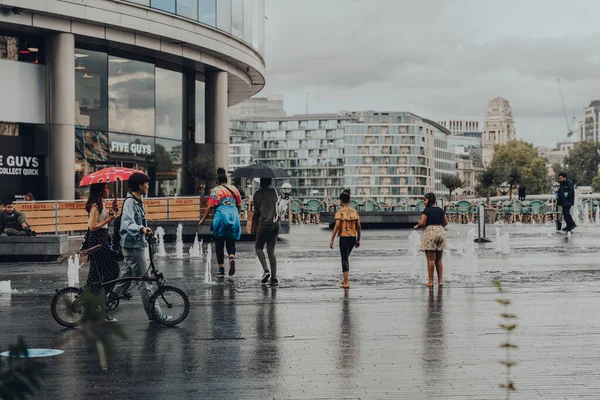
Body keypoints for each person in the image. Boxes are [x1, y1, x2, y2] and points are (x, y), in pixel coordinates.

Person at [111, 172, 159, 321]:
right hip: (132, 247)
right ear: (140, 185)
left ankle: (104, 305)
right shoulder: (130, 202)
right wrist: (141, 229)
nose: (148, 186)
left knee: (125, 280)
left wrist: (145, 229)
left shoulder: (138, 201)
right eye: (146, 183)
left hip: (135, 244)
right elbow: (127, 222)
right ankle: (155, 314)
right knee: (144, 281)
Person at [83, 183, 120, 322]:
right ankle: (99, 303)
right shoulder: (95, 206)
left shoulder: (102, 205)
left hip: (102, 241)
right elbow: (92, 227)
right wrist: (109, 219)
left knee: (98, 275)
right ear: (100, 191)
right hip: (97, 242)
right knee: (111, 271)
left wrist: (111, 213)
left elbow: (104, 225)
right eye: (106, 188)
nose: (108, 190)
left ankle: (95, 303)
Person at [198, 169, 242, 277]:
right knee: (231, 241)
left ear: (217, 181)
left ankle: (221, 269)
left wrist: (203, 219)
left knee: (219, 243)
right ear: (226, 180)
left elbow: (210, 207)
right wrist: (236, 213)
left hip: (221, 216)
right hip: (233, 215)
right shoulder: (234, 189)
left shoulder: (216, 190)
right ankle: (231, 257)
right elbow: (240, 205)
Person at [413, 193, 448, 287]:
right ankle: (440, 281)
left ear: (429, 200)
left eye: (425, 200)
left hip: (430, 233)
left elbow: (422, 222)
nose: (424, 202)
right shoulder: (440, 210)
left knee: (431, 259)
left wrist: (417, 226)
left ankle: (431, 282)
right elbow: (445, 222)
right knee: (439, 259)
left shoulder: (426, 210)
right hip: (441, 232)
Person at [329, 189, 361, 289]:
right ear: (349, 201)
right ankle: (345, 278)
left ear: (340, 201)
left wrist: (332, 239)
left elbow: (337, 226)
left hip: (343, 237)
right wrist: (358, 239)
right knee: (346, 257)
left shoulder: (340, 212)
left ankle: (346, 282)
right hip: (352, 237)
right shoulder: (354, 212)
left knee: (344, 258)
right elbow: (359, 226)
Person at [253, 178, 281, 285]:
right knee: (271, 250)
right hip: (276, 223)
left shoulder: (258, 194)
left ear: (261, 182)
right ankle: (274, 277)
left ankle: (266, 271)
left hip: (265, 224)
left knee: (259, 247)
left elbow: (257, 211)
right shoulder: (276, 191)